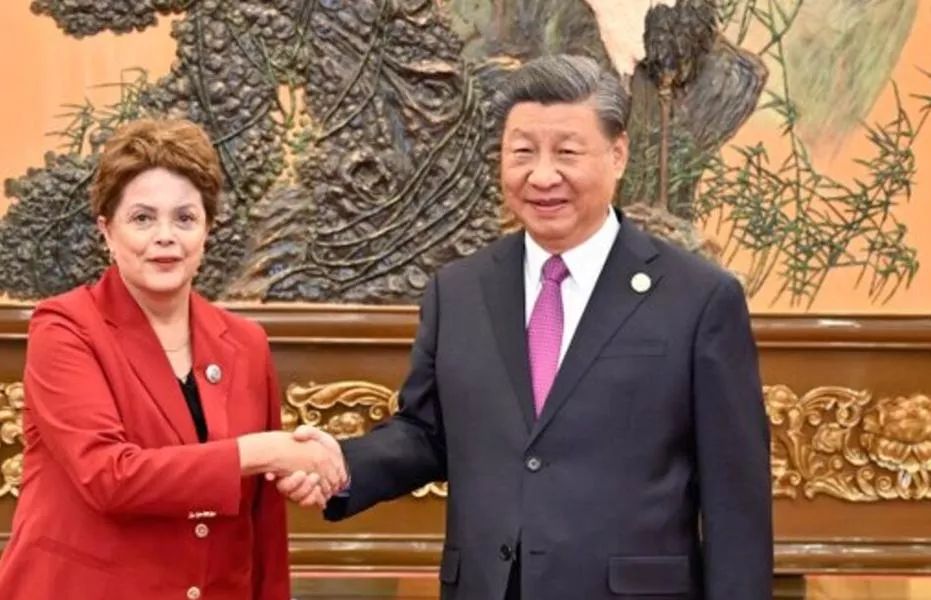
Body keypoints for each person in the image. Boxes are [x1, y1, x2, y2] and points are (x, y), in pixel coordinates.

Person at [277, 54, 773, 599]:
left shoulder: (699, 298)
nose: (541, 175)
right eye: (522, 152)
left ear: (618, 154)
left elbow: (736, 503)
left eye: (566, 152)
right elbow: (427, 432)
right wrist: (342, 464)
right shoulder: (460, 290)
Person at [0, 117, 346, 600]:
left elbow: (262, 523)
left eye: (184, 218)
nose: (165, 236)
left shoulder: (246, 343)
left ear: (206, 233)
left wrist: (298, 469)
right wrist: (265, 450)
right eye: (142, 218)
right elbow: (111, 477)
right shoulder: (65, 327)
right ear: (107, 231)